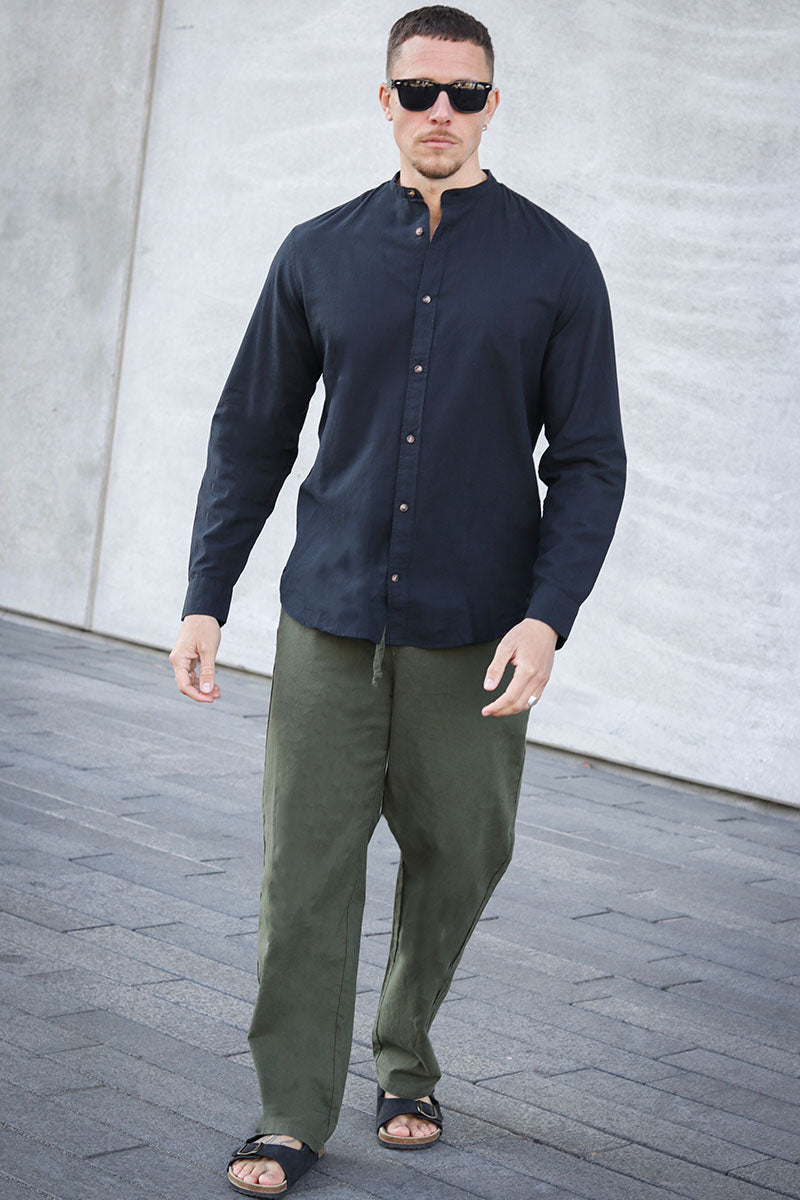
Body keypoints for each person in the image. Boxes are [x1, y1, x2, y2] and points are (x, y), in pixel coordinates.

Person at [169, 5, 626, 1194]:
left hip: (475, 632)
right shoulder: (314, 253)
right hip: (328, 622)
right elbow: (250, 435)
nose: (439, 113)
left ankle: (404, 1052)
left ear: (491, 104)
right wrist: (206, 594)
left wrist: (547, 615)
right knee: (304, 874)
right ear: (384, 101)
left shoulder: (554, 264)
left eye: (463, 94)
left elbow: (588, 461)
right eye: (418, 91)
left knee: (461, 856)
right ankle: (290, 1112)